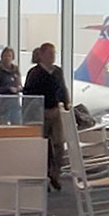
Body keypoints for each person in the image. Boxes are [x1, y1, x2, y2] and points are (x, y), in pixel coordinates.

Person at [23, 43, 71, 190]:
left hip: (55, 110)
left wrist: (66, 105)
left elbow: (62, 89)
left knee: (58, 144)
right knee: (43, 146)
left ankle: (55, 174)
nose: (52, 56)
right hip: (40, 113)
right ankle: (43, 174)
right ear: (42, 55)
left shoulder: (57, 72)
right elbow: (29, 94)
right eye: (49, 53)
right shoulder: (35, 73)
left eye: (53, 53)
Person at [0, 47, 22, 125]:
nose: (7, 58)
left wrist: (19, 88)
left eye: (9, 56)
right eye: (5, 56)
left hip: (15, 106)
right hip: (2, 107)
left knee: (17, 128)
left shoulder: (16, 71)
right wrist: (8, 89)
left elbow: (20, 84)